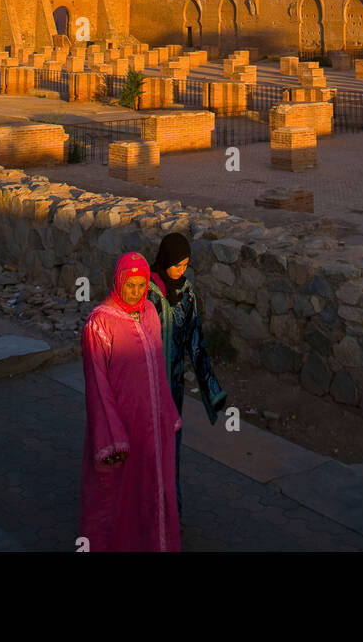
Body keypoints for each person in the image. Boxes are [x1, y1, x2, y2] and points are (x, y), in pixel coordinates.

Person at [79, 252, 181, 552]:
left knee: (153, 489)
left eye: (141, 285)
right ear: (118, 282)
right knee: (118, 496)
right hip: (122, 427)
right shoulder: (99, 324)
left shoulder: (149, 311)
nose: (136, 292)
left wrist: (167, 411)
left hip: (153, 426)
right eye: (130, 285)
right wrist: (111, 436)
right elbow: (97, 387)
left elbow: (158, 367)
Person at [147, 231, 227, 517]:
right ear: (165, 259)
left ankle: (170, 516)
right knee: (146, 453)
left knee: (171, 452)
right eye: (177, 265)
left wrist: (212, 389)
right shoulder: (146, 293)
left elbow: (197, 342)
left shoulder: (186, 293)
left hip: (174, 388)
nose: (181, 271)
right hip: (145, 389)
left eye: (186, 266)